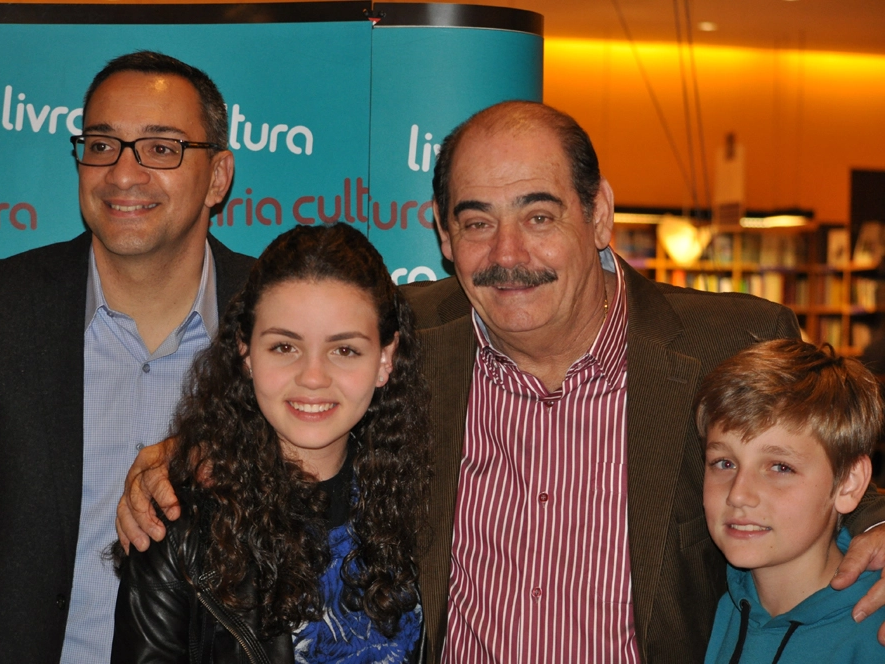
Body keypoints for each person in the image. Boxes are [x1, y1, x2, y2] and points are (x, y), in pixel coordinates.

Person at [117, 101, 885, 662]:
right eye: (477, 221)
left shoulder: (731, 339)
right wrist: (185, 452)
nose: (507, 252)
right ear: (445, 237)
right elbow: (303, 378)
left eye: (540, 215)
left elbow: (833, 463)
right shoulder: (406, 336)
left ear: (600, 214)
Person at [0, 51, 253, 663]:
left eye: (161, 149)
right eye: (102, 145)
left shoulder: (281, 321)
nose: (123, 174)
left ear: (218, 177)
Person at [111, 223, 430, 662]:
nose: (313, 377)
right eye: (284, 347)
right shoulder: (177, 527)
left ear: (385, 360)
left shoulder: (419, 502)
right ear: (245, 353)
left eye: (344, 350)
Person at [697, 339, 885, 663]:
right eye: (724, 463)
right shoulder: (729, 605)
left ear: (848, 484)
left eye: (780, 467)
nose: (738, 493)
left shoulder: (872, 632)